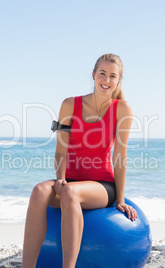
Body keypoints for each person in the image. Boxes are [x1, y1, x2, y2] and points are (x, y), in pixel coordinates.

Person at [22, 53, 137, 268]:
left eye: (113, 76)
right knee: (39, 190)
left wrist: (120, 199)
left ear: (119, 81)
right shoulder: (69, 105)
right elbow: (60, 151)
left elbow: (120, 156)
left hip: (102, 186)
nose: (107, 80)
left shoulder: (122, 108)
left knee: (70, 193)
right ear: (93, 75)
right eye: (102, 73)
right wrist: (60, 178)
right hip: (70, 179)